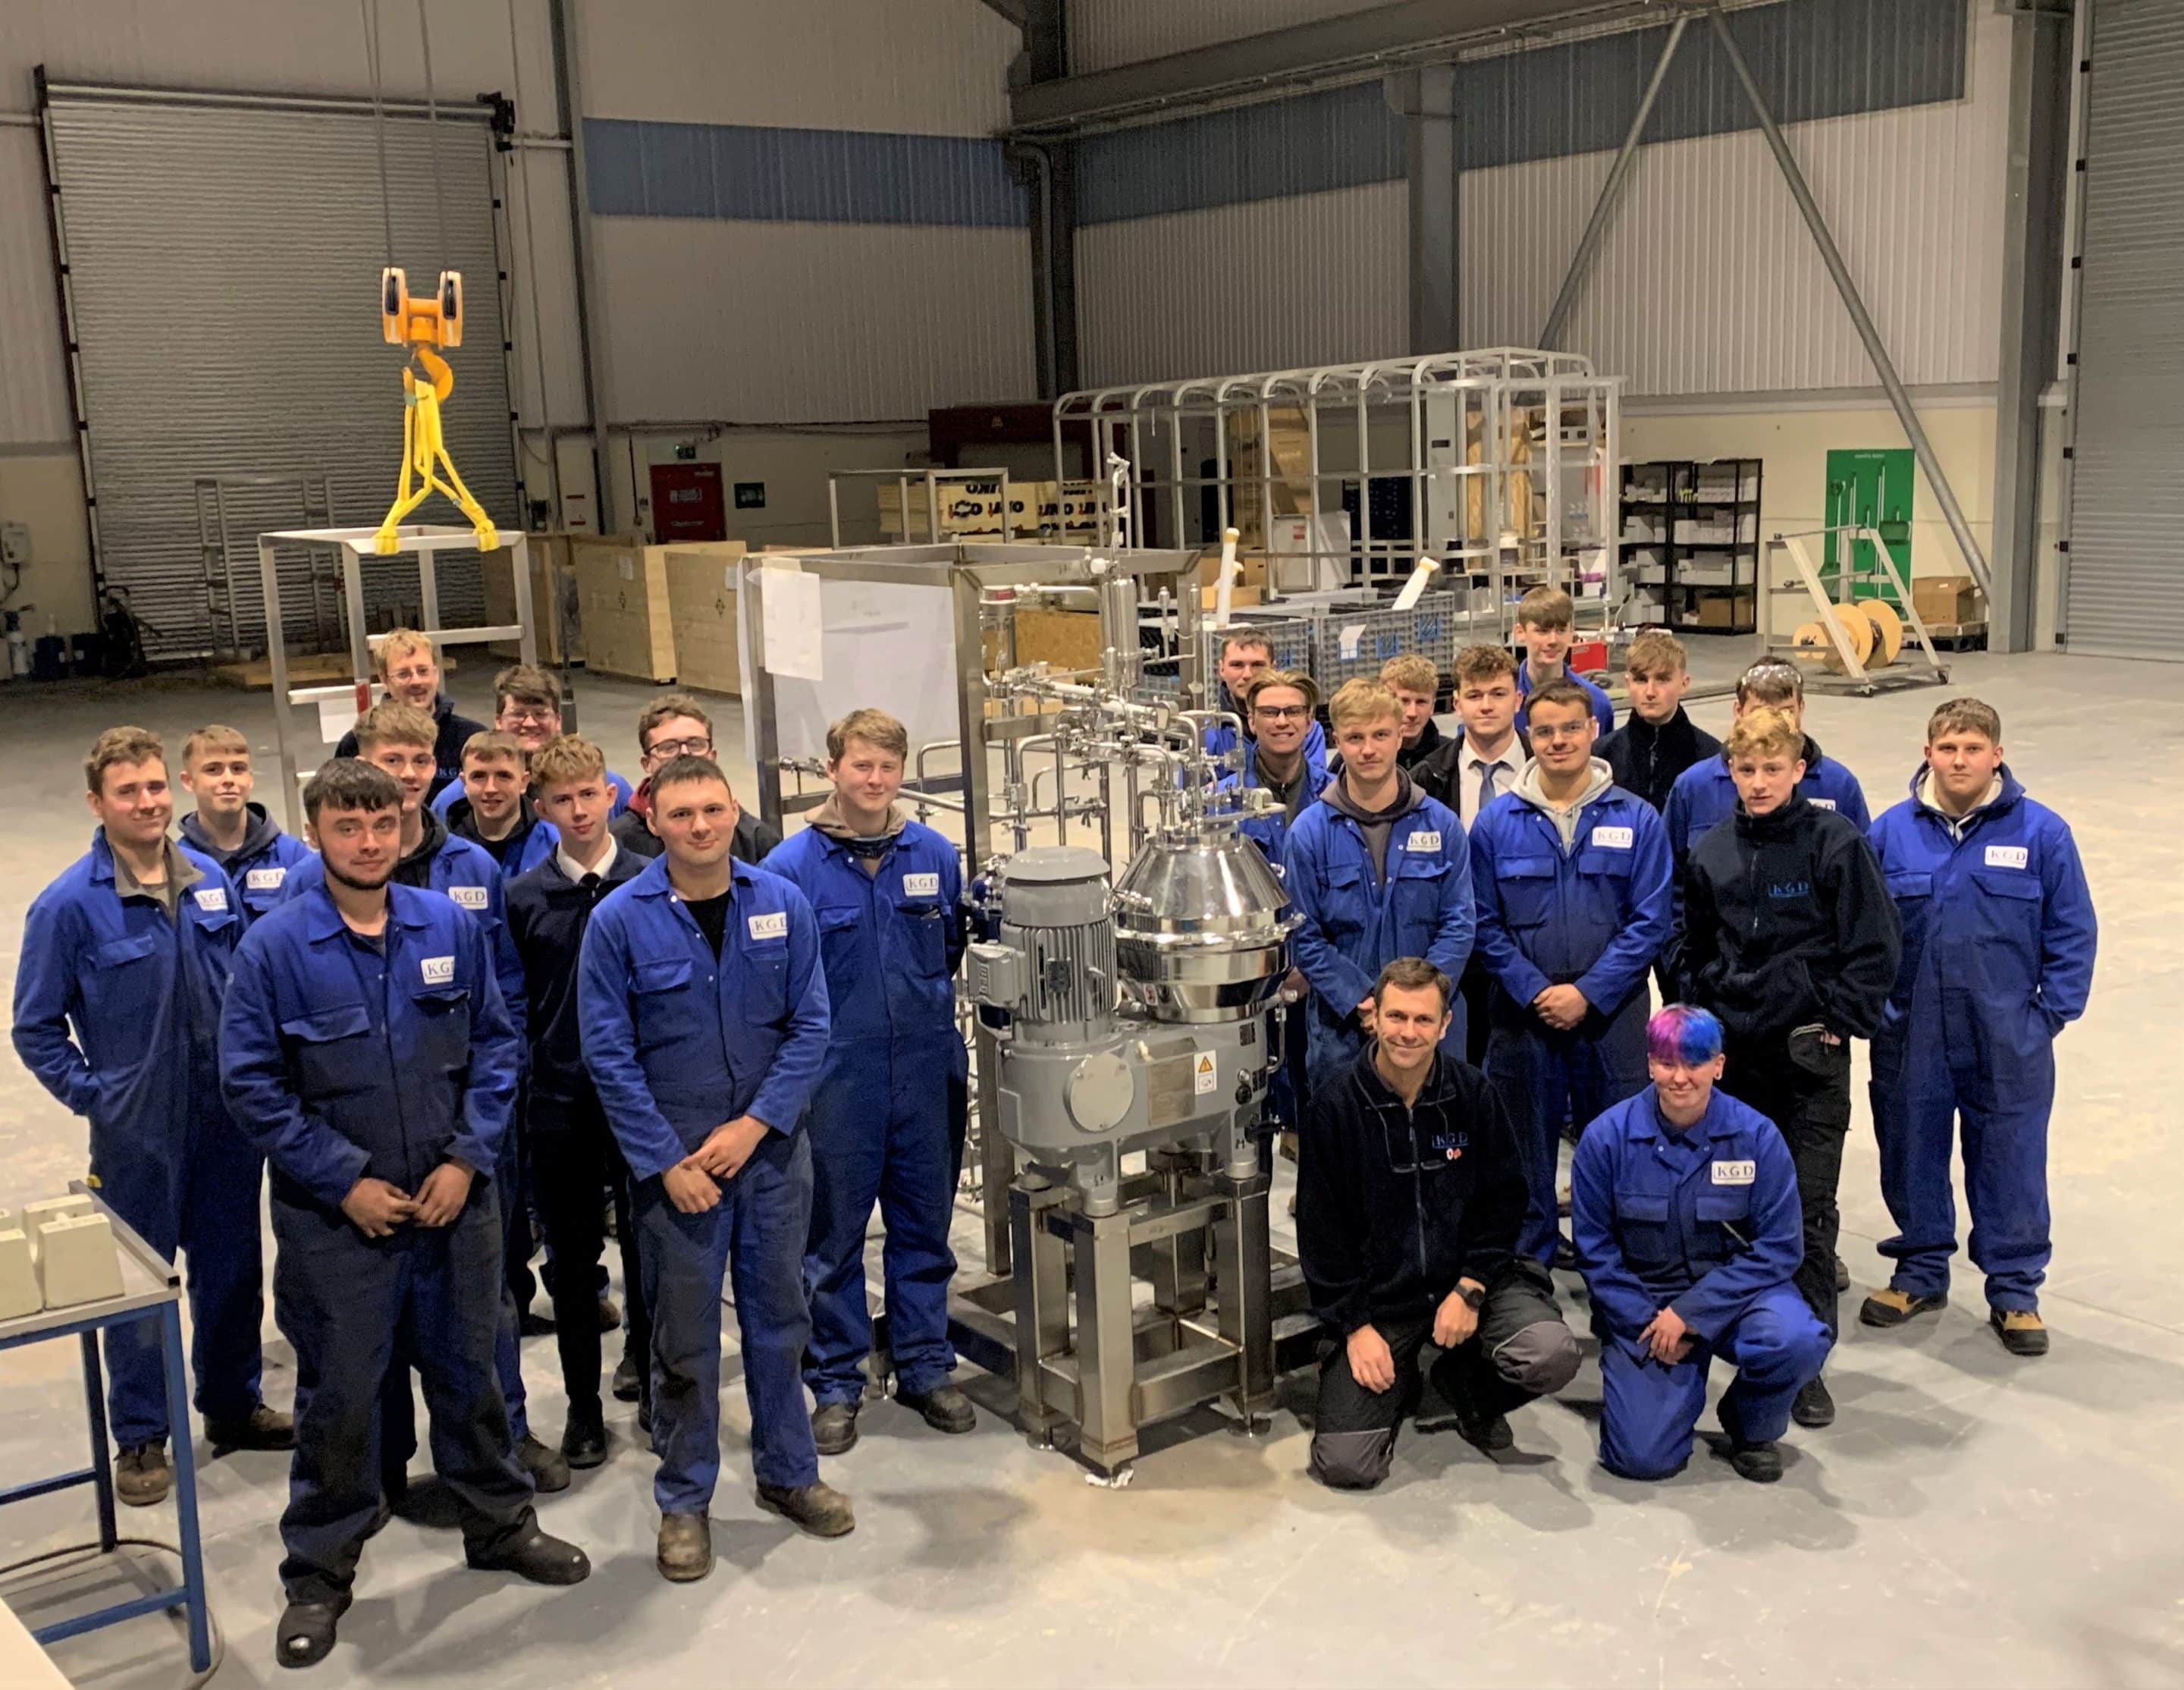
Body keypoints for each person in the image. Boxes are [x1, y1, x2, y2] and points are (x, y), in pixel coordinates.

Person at [218, 759, 588, 1668]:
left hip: (455, 1205)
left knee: (472, 1373)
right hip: (337, 1221)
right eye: (348, 827)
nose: (369, 841)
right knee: (341, 1393)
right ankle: (319, 1569)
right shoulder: (275, 947)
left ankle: (499, 1522)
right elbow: (252, 1084)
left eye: (382, 824)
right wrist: (343, 1178)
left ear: (406, 826)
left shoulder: (446, 925)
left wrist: (468, 1157)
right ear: (315, 833)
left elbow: (497, 1044)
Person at [578, 755, 848, 1582]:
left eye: (714, 810)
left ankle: (789, 1472)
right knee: (685, 1340)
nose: (701, 826)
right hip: (679, 1170)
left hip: (769, 1159)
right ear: (653, 820)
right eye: (683, 813)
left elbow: (811, 1025)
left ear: (735, 812)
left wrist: (756, 1124)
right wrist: (665, 1162)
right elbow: (608, 1054)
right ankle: (685, 1497)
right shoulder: (619, 921)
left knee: (780, 1319)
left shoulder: (782, 903)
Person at [281, 702, 563, 1492]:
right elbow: (267, 1054)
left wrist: (476, 1141)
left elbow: (501, 1003)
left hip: (461, 1136)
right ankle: (379, 1461)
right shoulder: (299, 894)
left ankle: (504, 1438)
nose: (405, 777)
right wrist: (337, 1171)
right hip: (353, 1148)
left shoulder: (468, 871)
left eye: (417, 761)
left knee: (482, 1304)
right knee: (355, 1328)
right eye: (389, 761)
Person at [14, 727, 290, 1509]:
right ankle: (141, 1433)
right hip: (136, 1134)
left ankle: (232, 1403)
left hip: (224, 1120)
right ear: (97, 802)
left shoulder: (209, 881)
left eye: (155, 787)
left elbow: (241, 987)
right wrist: (96, 1095)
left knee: (232, 1268)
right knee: (138, 1287)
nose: (147, 802)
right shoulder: (68, 906)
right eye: (128, 791)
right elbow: (35, 1027)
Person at [1678, 708, 1900, 1430]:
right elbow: (1690, 947)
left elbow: (1876, 945)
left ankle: (1805, 1362)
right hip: (1735, 1062)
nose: (1760, 782)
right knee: (1732, 1202)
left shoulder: (1836, 844)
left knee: (1805, 1210)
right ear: (1730, 772)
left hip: (1809, 1060)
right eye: (1746, 770)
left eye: (1773, 769)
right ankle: (1740, 1335)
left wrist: (1839, 1019)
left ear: (1800, 769)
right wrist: (1703, 1016)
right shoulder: (1712, 850)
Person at [763, 709, 972, 1454]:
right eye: (861, 765)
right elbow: (780, 983)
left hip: (924, 1065)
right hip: (836, 1076)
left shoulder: (934, 853)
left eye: (887, 767)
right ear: (833, 770)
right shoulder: (790, 867)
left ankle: (924, 1363)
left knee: (924, 1224)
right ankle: (837, 1379)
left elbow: (949, 947)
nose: (875, 779)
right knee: (833, 1236)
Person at [1861, 699, 2096, 1357]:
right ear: (1927, 754)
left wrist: (2046, 1017)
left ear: (1997, 755)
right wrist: (1878, 1012)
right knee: (1911, 1148)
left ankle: (2015, 1289)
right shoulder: (1891, 833)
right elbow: (1865, 932)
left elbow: (2072, 932)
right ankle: (1919, 1270)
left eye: (1972, 748)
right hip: (1912, 1032)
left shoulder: (2042, 834)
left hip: (2007, 1034)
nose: (1959, 760)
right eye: (1947, 748)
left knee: (2011, 1159)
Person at [1297, 960, 1579, 1488]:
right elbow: (1321, 1236)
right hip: (1382, 1304)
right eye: (1397, 1016)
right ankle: (1399, 1378)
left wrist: (1471, 1288)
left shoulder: (1473, 1094)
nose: (1408, 1032)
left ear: (1445, 1024)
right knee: (1347, 1464)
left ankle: (1466, 1388)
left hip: (1467, 1283)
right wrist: (1355, 1328)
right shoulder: (1334, 1108)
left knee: (1550, 1355)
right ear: (1374, 1017)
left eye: (1423, 1020)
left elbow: (1505, 1202)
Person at [1570, 1005, 1831, 1484]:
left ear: (1719, 1065)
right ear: (1650, 1064)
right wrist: (1648, 1321)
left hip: (1738, 1296)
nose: (1680, 1077)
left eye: (1694, 1063)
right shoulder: (1606, 1140)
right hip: (1648, 1304)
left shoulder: (1757, 1138)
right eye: (1667, 1063)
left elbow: (1780, 1246)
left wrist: (1692, 1313)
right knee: (1641, 1459)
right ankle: (1664, 1396)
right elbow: (1595, 1251)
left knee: (1795, 1339)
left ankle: (1751, 1426)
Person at [1469, 679, 1671, 1267]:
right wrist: (1536, 991)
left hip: (1612, 1016)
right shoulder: (1496, 824)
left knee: (1616, 1145)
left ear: (1594, 731)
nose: (1558, 741)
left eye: (1571, 728)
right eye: (1545, 731)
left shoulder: (1638, 819)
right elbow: (1482, 922)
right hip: (1522, 1015)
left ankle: (1613, 1269)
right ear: (1529, 736)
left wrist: (1588, 992)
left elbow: (1651, 920)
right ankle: (1527, 1271)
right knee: (1523, 1147)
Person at [507, 735, 653, 1466]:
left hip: (640, 1098)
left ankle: (651, 1379)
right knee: (571, 1260)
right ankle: (583, 1409)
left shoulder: (650, 883)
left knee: (650, 1246)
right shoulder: (524, 899)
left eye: (589, 794)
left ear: (611, 795)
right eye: (562, 800)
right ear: (542, 810)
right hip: (560, 1099)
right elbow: (513, 1002)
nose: (579, 810)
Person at [1282, 680, 1473, 1088]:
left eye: (1380, 735)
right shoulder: (1309, 834)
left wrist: (1415, 1006)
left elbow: (1459, 924)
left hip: (1431, 1030)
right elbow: (1303, 936)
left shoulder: (1442, 825)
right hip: (1343, 1033)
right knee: (1347, 1128)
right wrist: (1363, 1001)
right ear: (1336, 741)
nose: (1368, 749)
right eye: (1355, 738)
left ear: (1400, 735)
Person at [433, 664, 632, 818]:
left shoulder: (604, 785)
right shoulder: (456, 799)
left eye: (540, 714)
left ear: (558, 721)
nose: (529, 723)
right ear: (498, 721)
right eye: (518, 714)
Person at [611, 693, 781, 864]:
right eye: (668, 747)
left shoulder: (757, 841)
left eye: (695, 744)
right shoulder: (617, 844)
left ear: (712, 756)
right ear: (646, 763)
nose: (685, 753)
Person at [331, 627, 486, 802]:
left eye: (423, 671)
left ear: (436, 674)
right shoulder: (356, 742)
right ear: (384, 679)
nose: (416, 681)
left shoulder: (471, 738)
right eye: (403, 674)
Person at [177, 723, 314, 919]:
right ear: (188, 781)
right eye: (213, 769)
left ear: (250, 778)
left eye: (238, 769)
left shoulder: (291, 857)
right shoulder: (179, 867)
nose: (228, 779)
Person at [1594, 630, 1721, 813]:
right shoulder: (1602, 757)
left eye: (1662, 679)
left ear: (1684, 684)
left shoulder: (1712, 757)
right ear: (1628, 684)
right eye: (1641, 680)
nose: (1650, 692)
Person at [1226, 668, 1326, 865]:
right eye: (1269, 712)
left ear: (1309, 721)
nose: (1281, 722)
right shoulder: (1223, 803)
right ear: (1252, 721)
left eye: (1294, 711)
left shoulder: (1333, 796)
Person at [1206, 630, 1329, 768]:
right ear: (1222, 669)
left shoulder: (1306, 729)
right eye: (1237, 665)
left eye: (1257, 665)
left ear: (1273, 668)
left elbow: (1315, 779)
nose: (1247, 675)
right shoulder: (1206, 731)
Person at [444, 730, 558, 876]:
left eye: (504, 776)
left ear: (524, 782)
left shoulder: (556, 845)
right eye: (479, 776)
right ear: (464, 783)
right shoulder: (440, 851)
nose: (490, 788)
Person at [1447, 645, 1533, 831]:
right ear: (1458, 705)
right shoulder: (1429, 778)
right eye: (1474, 696)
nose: (1486, 706)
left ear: (1518, 700)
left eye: (1498, 694)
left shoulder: (1545, 767)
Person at [1511, 587, 1614, 738]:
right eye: (1543, 631)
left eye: (1561, 630)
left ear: (1571, 632)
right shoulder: (1503, 701)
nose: (1553, 640)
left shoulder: (1596, 703)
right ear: (1520, 633)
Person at [1379, 653, 1461, 804]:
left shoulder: (1452, 756)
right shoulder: (1362, 757)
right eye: (1404, 701)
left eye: (1421, 702)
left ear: (1433, 706)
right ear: (1385, 702)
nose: (1412, 713)